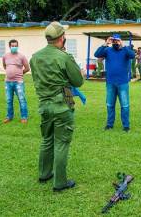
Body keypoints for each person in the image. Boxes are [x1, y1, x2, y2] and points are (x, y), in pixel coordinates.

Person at [30, 21, 84, 192]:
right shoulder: (64, 57)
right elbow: (78, 81)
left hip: (44, 106)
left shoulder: (35, 57)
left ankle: (44, 174)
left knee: (46, 140)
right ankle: (60, 183)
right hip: (61, 106)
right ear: (62, 38)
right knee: (61, 143)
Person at [94, 33, 135, 132]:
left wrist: (123, 45)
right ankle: (109, 124)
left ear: (120, 41)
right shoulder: (108, 50)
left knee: (125, 105)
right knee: (110, 104)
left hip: (123, 83)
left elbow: (132, 55)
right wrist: (105, 43)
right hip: (110, 83)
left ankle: (126, 126)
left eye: (117, 40)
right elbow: (97, 54)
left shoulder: (125, 50)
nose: (115, 42)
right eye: (114, 41)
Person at [2, 39, 30, 124]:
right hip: (8, 82)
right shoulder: (5, 56)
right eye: (12, 46)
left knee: (22, 99)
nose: (14, 47)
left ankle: (24, 117)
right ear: (9, 46)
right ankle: (9, 117)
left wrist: (20, 74)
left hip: (18, 82)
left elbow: (27, 68)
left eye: (15, 46)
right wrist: (10, 72)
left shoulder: (22, 56)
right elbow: (4, 66)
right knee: (9, 100)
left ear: (17, 46)